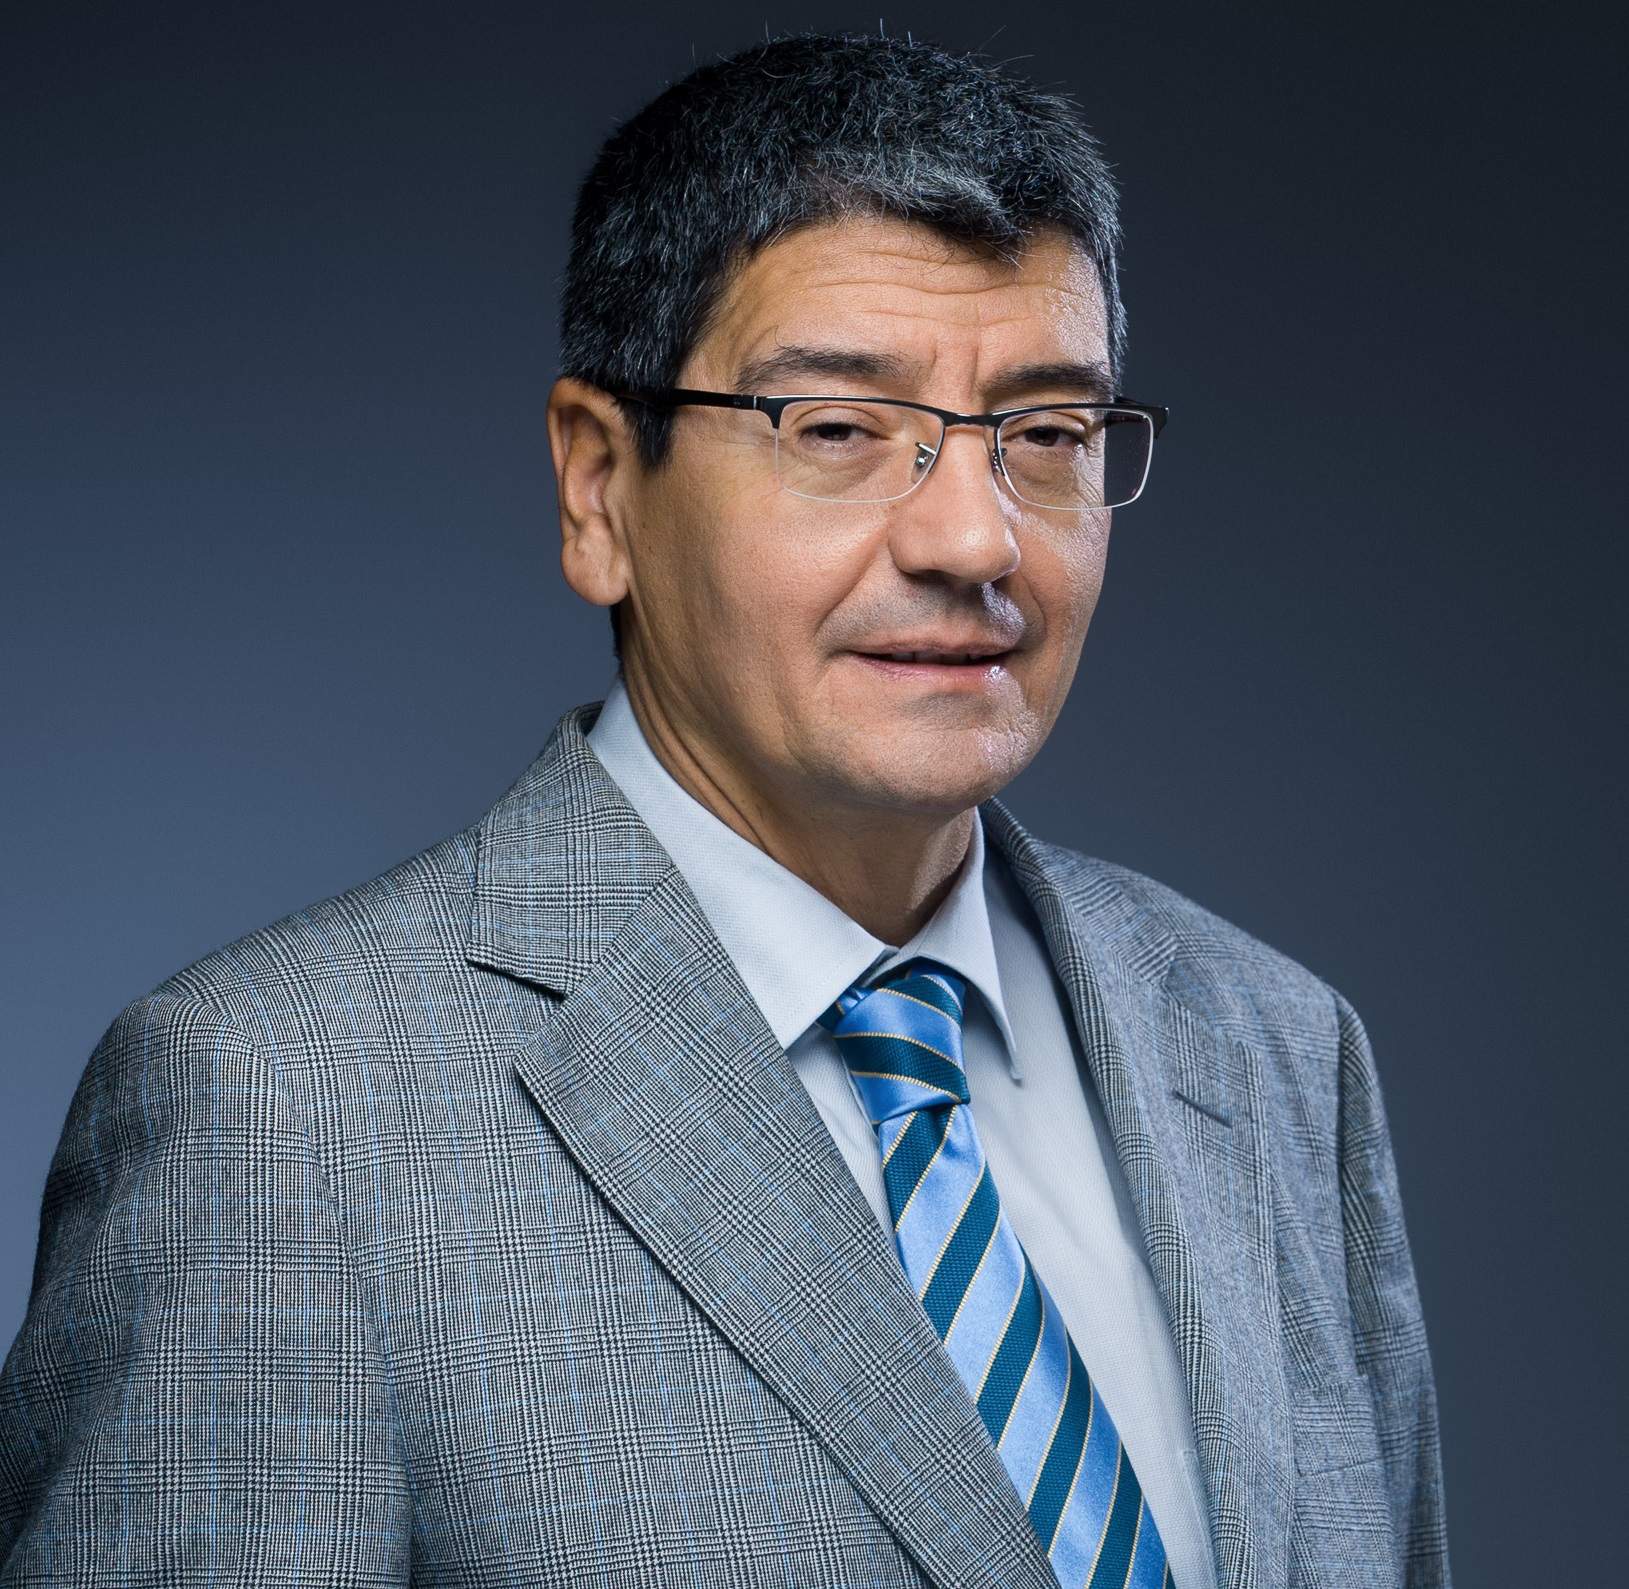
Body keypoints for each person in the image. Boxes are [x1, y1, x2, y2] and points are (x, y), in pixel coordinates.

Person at [0, 31, 1450, 1589]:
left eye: (1045, 435)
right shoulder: (284, 1112)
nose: (974, 538)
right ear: (598, 487)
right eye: (836, 429)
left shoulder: (1274, 1052)